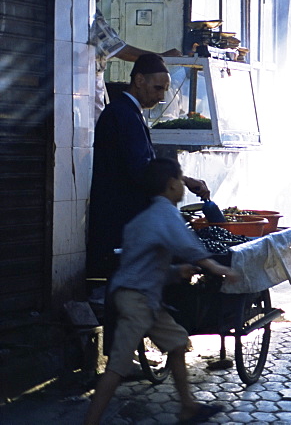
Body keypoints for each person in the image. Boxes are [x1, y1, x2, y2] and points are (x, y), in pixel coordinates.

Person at [84, 158, 235, 425]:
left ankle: (187, 406)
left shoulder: (142, 219)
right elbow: (190, 248)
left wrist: (175, 273)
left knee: (177, 343)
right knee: (117, 367)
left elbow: (143, 264)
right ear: (171, 185)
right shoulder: (167, 215)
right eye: (180, 179)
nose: (183, 185)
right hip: (136, 299)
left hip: (140, 296)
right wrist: (217, 267)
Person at [87, 54, 210, 278]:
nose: (161, 97)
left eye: (164, 90)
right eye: (157, 89)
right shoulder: (123, 114)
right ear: (139, 80)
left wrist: (184, 180)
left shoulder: (130, 113)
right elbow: (141, 168)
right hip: (118, 216)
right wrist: (182, 182)